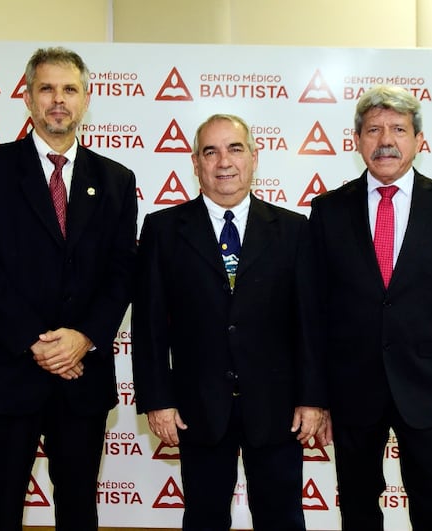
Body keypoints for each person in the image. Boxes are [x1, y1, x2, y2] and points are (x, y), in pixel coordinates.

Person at [0, 47, 137, 531]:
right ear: (29, 98)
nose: (59, 100)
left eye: (70, 89)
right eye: (47, 88)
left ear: (86, 98)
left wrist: (84, 337)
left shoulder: (117, 180)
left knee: (79, 505)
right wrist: (34, 340)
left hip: (83, 374)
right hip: (8, 368)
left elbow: (122, 272)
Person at [131, 114, 326, 531]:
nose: (224, 161)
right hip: (196, 406)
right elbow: (149, 326)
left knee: (282, 518)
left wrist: (312, 398)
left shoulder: (293, 229)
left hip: (276, 408)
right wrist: (157, 400)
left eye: (235, 149)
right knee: (203, 519)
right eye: (211, 151)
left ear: (254, 158)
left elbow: (309, 322)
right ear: (195, 163)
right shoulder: (163, 229)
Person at [310, 85, 432, 531]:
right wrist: (316, 397)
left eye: (397, 129)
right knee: (357, 507)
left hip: (429, 391)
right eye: (373, 130)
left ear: (419, 140)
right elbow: (314, 312)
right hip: (352, 390)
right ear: (356, 141)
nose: (385, 139)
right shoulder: (328, 210)